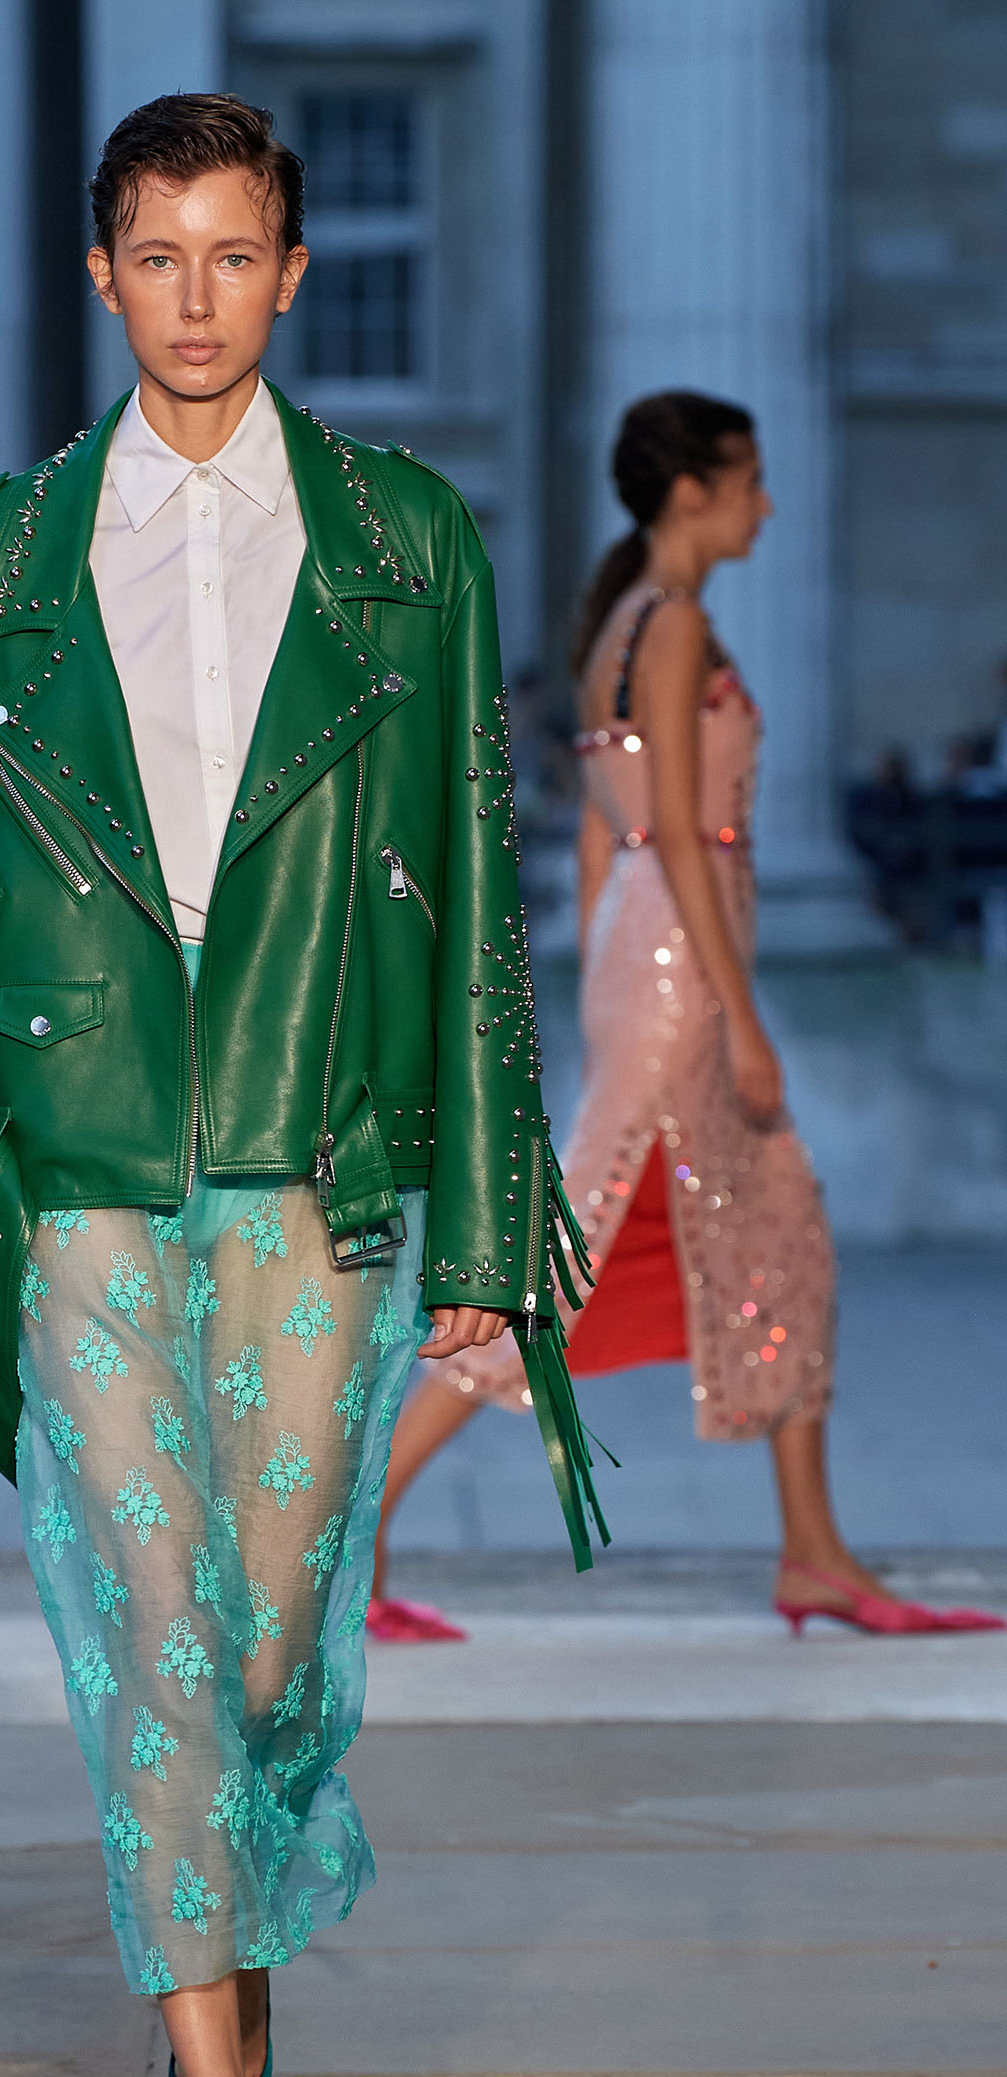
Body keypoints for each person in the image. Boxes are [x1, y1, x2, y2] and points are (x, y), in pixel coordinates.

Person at [0, 92, 603, 2077]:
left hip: (323, 1165)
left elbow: (478, 891)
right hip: (74, 1179)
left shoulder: (407, 542)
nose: (196, 298)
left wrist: (491, 1233)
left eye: (234, 254)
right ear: (103, 275)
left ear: (290, 274)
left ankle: (243, 2064)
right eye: (156, 255)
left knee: (271, 1653)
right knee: (156, 1646)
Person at [371, 389, 1005, 1643]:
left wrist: (613, 984)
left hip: (643, 961)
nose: (765, 504)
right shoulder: (670, 625)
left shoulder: (621, 621)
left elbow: (606, 834)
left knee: (766, 1246)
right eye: (749, 479)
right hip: (677, 975)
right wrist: (738, 1019)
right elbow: (673, 834)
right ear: (691, 490)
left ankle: (813, 1554)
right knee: (579, 1263)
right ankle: (345, 1537)